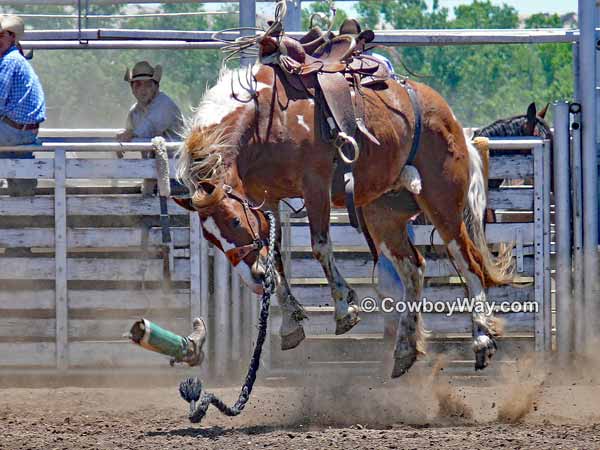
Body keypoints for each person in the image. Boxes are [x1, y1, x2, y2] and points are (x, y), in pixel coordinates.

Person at [117, 60, 183, 195]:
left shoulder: (164, 105)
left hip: (178, 174)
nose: (142, 89)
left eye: (148, 84)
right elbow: (130, 132)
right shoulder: (135, 112)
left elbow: (148, 128)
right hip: (155, 173)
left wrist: (127, 138)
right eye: (138, 84)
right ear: (132, 88)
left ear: (156, 86)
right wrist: (124, 139)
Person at [0, 14, 46, 196]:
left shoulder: (8, 61)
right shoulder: (16, 60)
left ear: (12, 37)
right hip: (22, 131)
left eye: (1, 35)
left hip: (14, 130)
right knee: (20, 183)